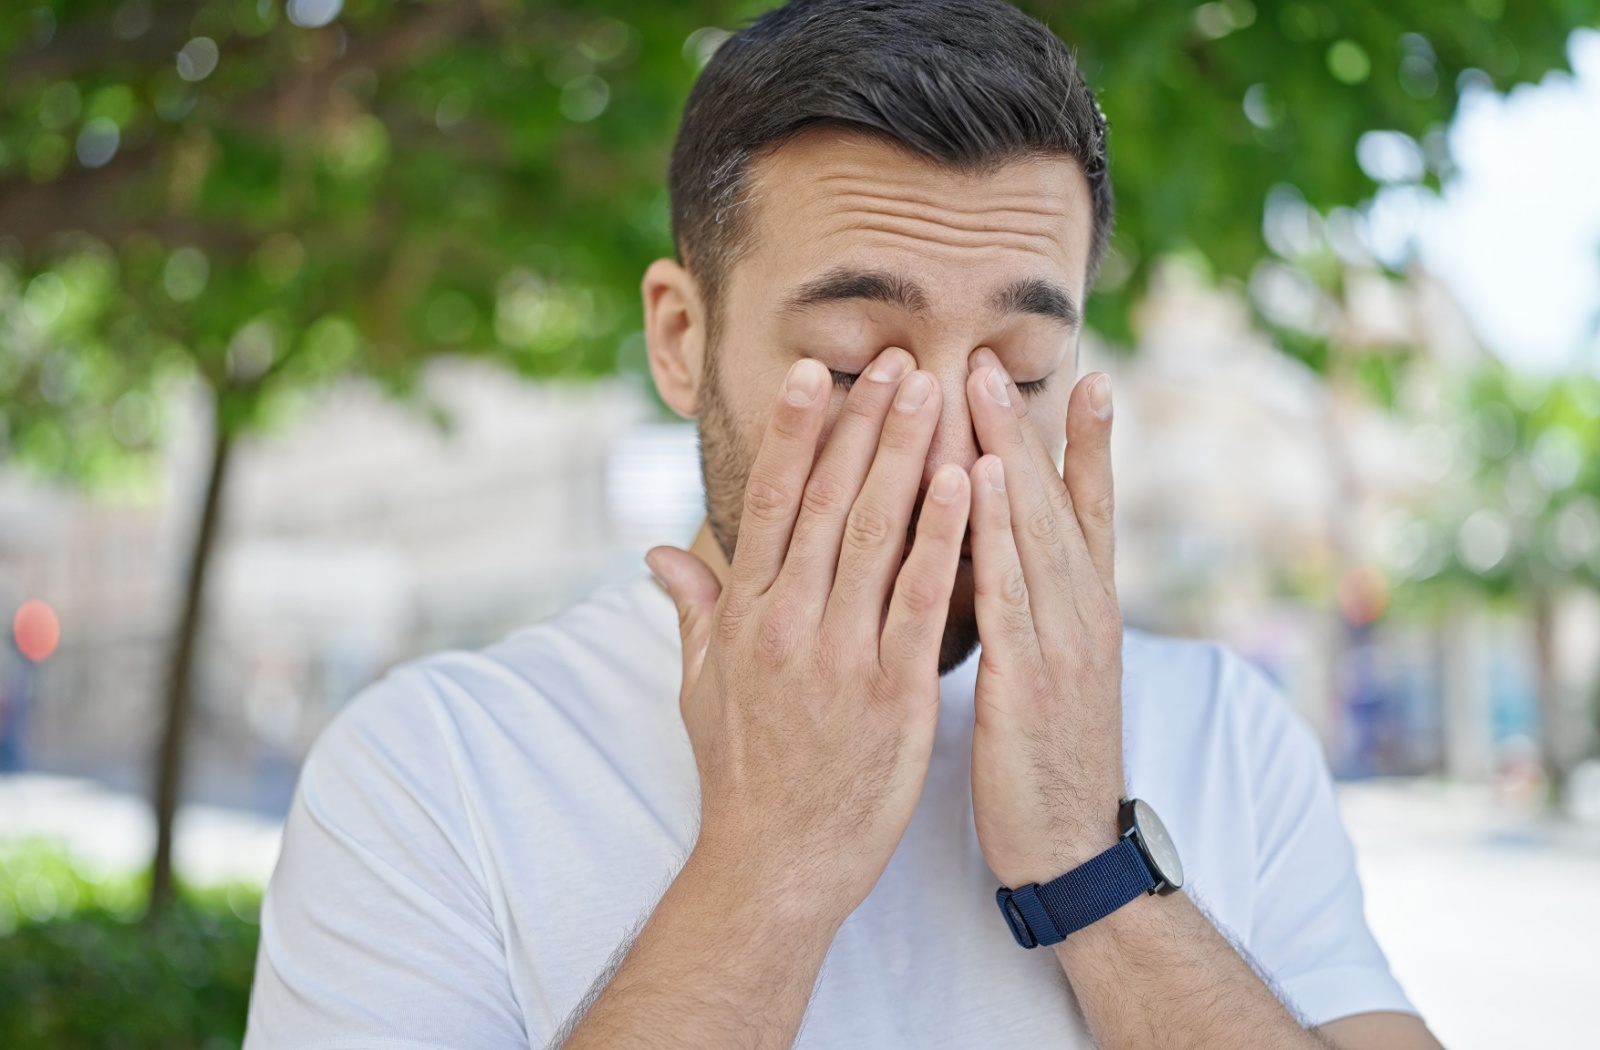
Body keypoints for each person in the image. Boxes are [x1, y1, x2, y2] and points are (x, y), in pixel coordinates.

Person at [245, 1, 1443, 1047]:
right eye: (856, 359)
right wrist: (769, 865)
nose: (943, 446)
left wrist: (1095, 867)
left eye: (1018, 372)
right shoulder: (432, 769)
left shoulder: (1229, 731)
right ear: (681, 338)